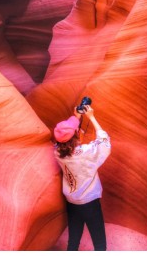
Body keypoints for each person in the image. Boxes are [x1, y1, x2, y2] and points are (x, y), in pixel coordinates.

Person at [53, 104, 111, 251]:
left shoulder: (57, 152)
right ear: (77, 135)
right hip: (89, 203)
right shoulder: (86, 152)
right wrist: (92, 117)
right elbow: (104, 143)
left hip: (72, 202)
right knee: (99, 245)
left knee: (73, 241)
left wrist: (76, 118)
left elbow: (64, 138)